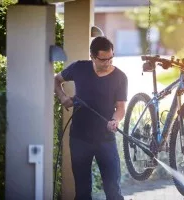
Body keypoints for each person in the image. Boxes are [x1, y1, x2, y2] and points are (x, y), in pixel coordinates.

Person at [54, 36, 127, 200]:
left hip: (106, 140)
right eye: (103, 59)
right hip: (80, 139)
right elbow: (56, 80)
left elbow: (121, 108)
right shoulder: (79, 68)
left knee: (113, 190)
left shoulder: (120, 77)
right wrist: (63, 97)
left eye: (111, 58)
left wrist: (115, 120)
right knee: (82, 192)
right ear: (92, 56)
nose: (108, 62)